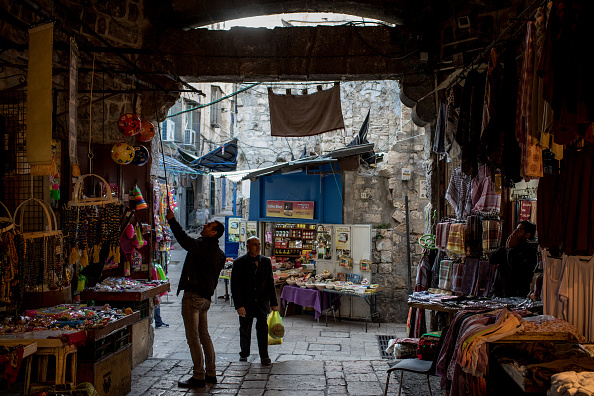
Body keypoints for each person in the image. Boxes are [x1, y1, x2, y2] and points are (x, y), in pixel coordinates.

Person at [166, 209, 226, 388]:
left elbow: (185, 241)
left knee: (193, 337)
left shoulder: (203, 248)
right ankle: (211, 373)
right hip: (205, 299)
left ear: (214, 233)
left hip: (193, 297)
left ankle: (199, 375)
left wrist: (172, 221)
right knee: (204, 335)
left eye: (209, 226)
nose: (204, 225)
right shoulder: (218, 253)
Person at [231, 236, 279, 365]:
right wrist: (239, 305)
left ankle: (264, 355)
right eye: (254, 245)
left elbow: (270, 283)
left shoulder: (266, 262)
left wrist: (274, 303)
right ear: (247, 247)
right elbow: (235, 286)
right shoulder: (239, 263)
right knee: (245, 329)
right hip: (246, 303)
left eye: (258, 244)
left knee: (262, 330)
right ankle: (244, 353)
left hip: (262, 303)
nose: (258, 247)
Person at [490, 220, 538, 297]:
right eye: (515, 229)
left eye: (519, 230)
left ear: (527, 235)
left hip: (514, 294)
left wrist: (510, 249)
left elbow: (515, 267)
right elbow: (492, 259)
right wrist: (506, 248)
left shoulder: (529, 251)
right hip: (499, 292)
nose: (514, 232)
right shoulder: (508, 247)